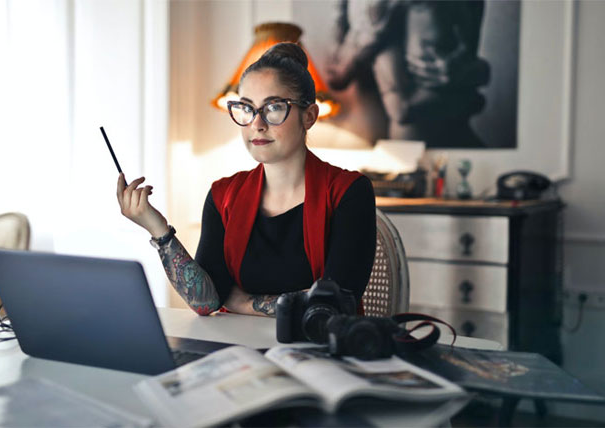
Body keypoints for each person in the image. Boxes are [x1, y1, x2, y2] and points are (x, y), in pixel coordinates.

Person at [116, 43, 376, 317]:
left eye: (274, 107)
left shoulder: (350, 191)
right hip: (238, 350)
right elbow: (206, 301)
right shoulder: (223, 195)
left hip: (319, 351)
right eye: (247, 108)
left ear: (309, 116)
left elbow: (332, 304)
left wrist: (242, 303)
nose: (257, 124)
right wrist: (157, 228)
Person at [326, 0, 490, 148]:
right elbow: (337, 75)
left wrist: (478, 72)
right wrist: (473, 98)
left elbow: (467, 58)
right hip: (402, 138)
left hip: (450, 136)